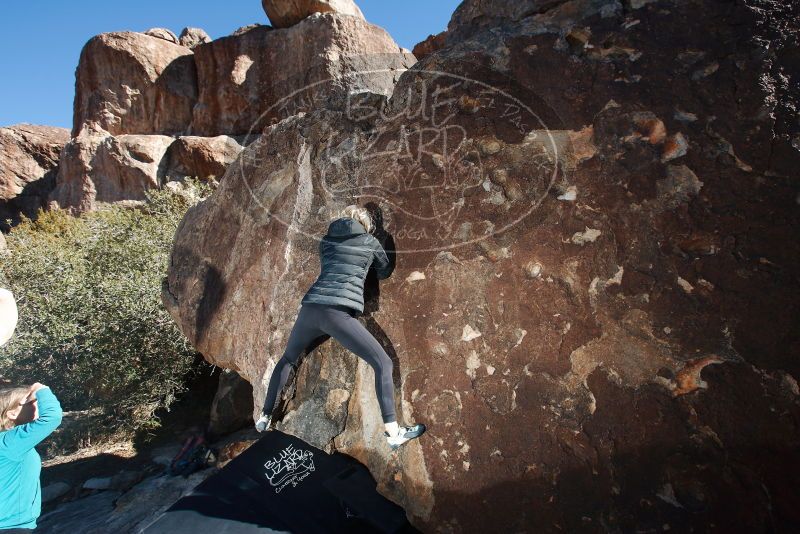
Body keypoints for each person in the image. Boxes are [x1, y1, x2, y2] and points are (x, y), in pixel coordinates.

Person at [256, 205, 425, 450]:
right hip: (337, 314)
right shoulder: (369, 240)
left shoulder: (325, 241)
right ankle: (393, 432)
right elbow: (385, 271)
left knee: (288, 359)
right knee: (383, 364)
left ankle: (264, 415)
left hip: (310, 308)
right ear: (366, 224)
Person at [0, 289, 64, 532]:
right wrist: (41, 388)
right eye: (30, 404)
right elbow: (52, 418)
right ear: (12, 414)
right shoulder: (10, 442)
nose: (35, 407)